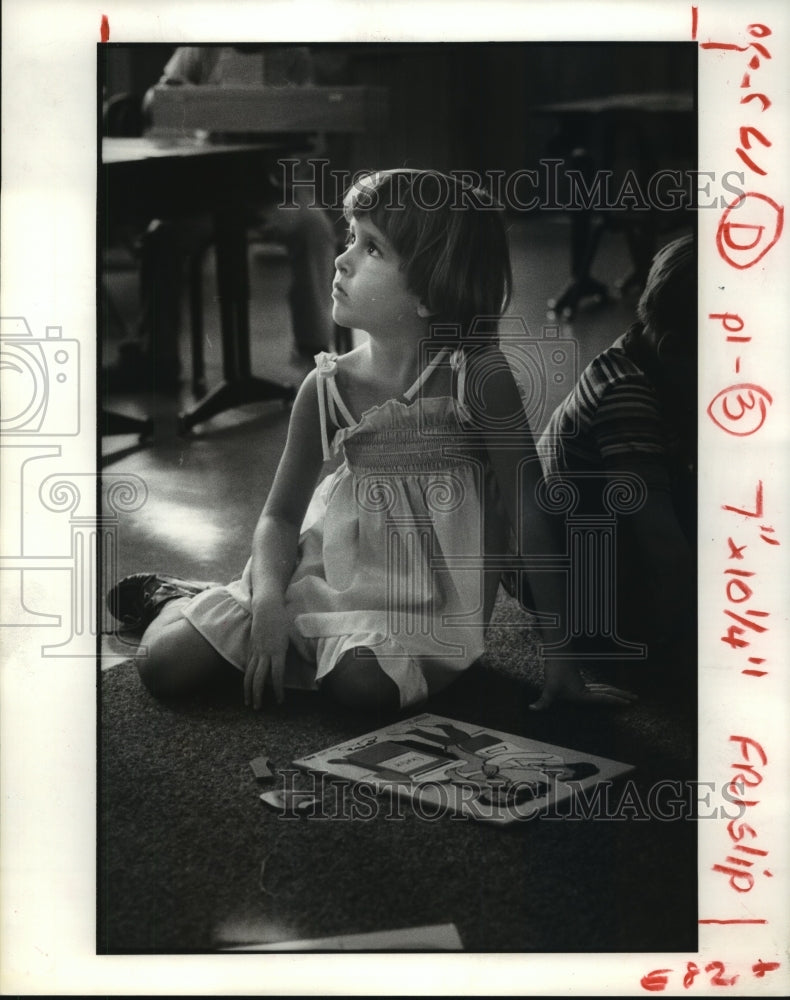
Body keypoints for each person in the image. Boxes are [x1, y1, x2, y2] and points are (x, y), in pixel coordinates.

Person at [108, 168, 634, 714]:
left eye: (373, 249)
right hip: (325, 574)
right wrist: (266, 606)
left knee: (363, 688)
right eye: (351, 238)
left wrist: (561, 659)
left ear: (430, 292)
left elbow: (529, 511)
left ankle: (276, 633)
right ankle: (180, 597)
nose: (342, 259)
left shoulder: (479, 376)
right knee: (163, 665)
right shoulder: (326, 385)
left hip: (423, 606)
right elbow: (279, 517)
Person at [109, 45, 337, 390]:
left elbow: (316, 122)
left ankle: (314, 354)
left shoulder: (291, 52)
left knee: (313, 228)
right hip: (207, 187)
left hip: (271, 187)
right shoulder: (200, 48)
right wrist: (181, 98)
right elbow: (155, 103)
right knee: (162, 237)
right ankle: (157, 359)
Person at [537, 233, 697, 689]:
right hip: (577, 580)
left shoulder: (650, 356)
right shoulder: (625, 394)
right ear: (673, 349)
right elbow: (661, 545)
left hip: (609, 541)